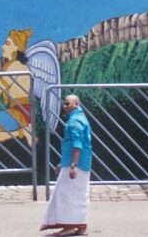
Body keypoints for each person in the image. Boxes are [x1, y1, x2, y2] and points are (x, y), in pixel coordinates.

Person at [43, 89, 90, 237]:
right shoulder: (81, 118)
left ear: (76, 104)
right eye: (64, 103)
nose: (64, 106)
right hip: (82, 162)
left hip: (76, 163)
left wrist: (72, 165)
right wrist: (63, 163)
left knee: (64, 193)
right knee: (80, 193)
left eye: (67, 103)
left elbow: (77, 144)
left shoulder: (74, 121)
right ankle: (81, 225)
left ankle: (69, 226)